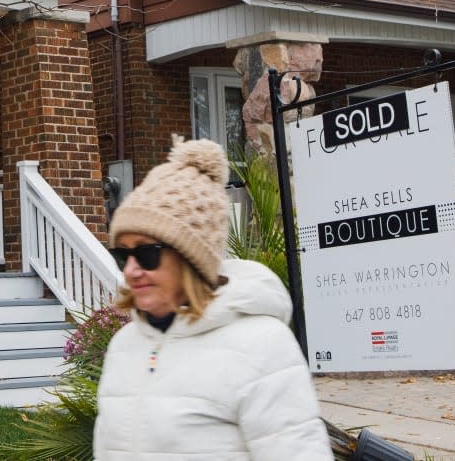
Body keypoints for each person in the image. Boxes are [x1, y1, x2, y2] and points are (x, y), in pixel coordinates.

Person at [93, 136, 332, 461]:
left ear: (190, 257)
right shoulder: (124, 346)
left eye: (147, 253)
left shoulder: (261, 345)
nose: (132, 269)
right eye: (124, 255)